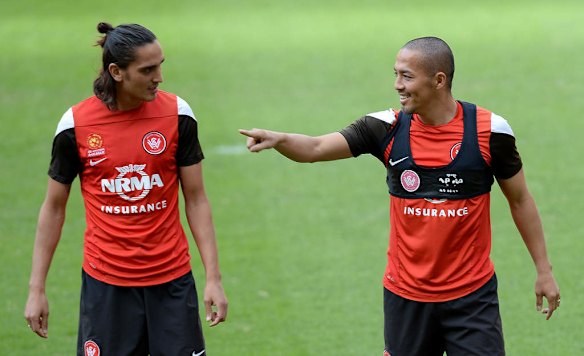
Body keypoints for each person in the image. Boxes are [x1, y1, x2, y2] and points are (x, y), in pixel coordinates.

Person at [239, 36, 560, 355]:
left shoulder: (490, 131)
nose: (397, 85)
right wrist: (279, 138)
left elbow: (520, 200)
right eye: (396, 74)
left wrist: (544, 271)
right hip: (406, 297)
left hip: (471, 297)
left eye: (407, 76)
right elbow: (316, 148)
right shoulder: (385, 127)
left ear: (438, 80)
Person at [24, 22, 227, 355]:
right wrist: (36, 288)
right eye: (148, 69)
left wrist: (213, 278)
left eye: (161, 65)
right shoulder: (75, 125)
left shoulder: (178, 114)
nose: (159, 76)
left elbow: (196, 199)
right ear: (117, 71)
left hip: (172, 281)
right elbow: (54, 207)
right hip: (107, 285)